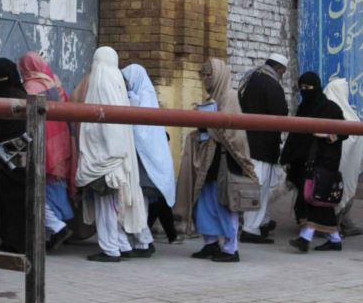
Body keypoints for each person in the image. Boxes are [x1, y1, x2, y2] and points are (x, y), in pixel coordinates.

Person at [175, 58, 258, 263]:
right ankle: (210, 243)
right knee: (205, 203)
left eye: (209, 75)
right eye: (203, 75)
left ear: (219, 75)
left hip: (225, 161)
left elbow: (233, 134)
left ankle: (231, 248)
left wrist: (210, 125)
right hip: (209, 161)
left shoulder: (229, 97)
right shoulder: (213, 98)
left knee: (224, 204)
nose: (206, 79)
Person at [75, 47, 153, 262]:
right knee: (115, 203)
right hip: (119, 155)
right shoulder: (117, 79)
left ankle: (110, 249)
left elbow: (101, 124)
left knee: (105, 205)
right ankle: (121, 244)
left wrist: (105, 155)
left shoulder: (100, 81)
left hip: (106, 157)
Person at [280, 72, 347, 252]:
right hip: (306, 162)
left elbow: (345, 132)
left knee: (316, 198)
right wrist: (287, 157)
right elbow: (295, 136)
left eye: (308, 88)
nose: (305, 91)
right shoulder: (304, 108)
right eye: (301, 88)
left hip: (325, 162)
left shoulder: (331, 109)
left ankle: (306, 237)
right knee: (313, 198)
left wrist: (326, 135)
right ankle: (333, 238)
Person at [19, 52, 75, 250]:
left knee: (37, 190)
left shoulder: (30, 87)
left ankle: (56, 227)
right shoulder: (54, 83)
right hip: (61, 143)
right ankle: (54, 231)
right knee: (54, 188)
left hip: (44, 144)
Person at [121, 63, 179, 244]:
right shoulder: (146, 96)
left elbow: (142, 131)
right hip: (145, 161)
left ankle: (143, 241)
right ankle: (143, 239)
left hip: (146, 162)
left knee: (142, 201)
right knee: (143, 202)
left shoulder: (143, 98)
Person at [237, 52, 289, 244]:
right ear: (279, 69)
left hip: (248, 142)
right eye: (283, 72)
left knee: (255, 187)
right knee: (260, 188)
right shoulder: (272, 84)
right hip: (264, 146)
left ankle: (261, 222)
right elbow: (281, 113)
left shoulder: (251, 79)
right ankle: (251, 229)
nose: (282, 75)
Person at [0, 58, 29, 253]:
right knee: (17, 203)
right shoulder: (23, 96)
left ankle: (11, 241)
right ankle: (16, 241)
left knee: (4, 203)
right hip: (21, 162)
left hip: (2, 160)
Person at [323, 77, 363, 237]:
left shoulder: (341, 110)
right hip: (335, 162)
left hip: (340, 163)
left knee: (338, 191)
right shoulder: (334, 110)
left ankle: (339, 225)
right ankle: (332, 229)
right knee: (336, 191)